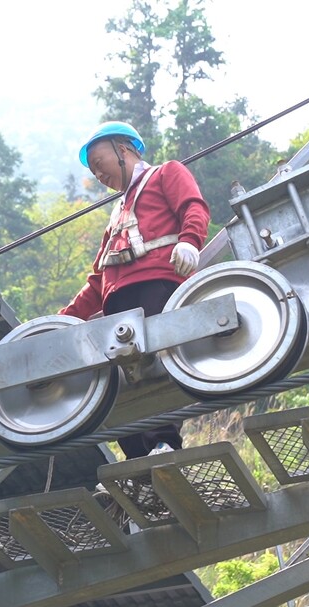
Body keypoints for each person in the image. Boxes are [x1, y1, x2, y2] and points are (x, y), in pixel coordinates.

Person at [60, 121, 211, 458]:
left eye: (100, 164)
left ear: (123, 150)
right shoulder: (117, 216)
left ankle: (164, 442)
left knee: (156, 360)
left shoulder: (165, 174)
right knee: (119, 377)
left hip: (157, 282)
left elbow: (193, 207)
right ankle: (136, 454)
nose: (99, 175)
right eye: (94, 171)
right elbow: (98, 279)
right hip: (118, 300)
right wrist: (63, 320)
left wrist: (189, 241)